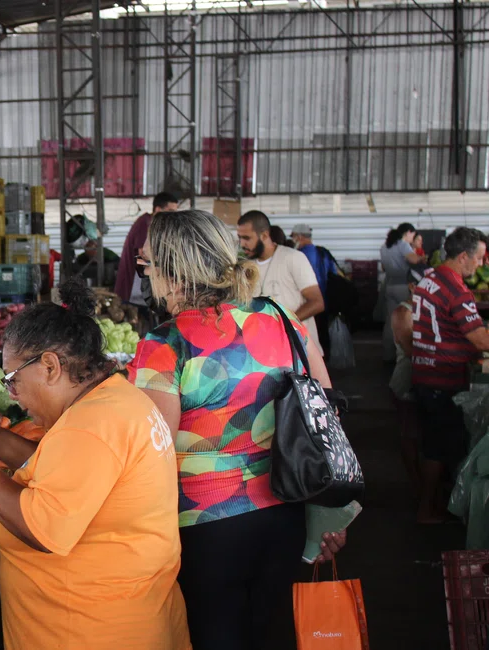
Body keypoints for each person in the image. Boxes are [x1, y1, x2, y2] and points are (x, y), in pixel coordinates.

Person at [0, 275, 190, 649]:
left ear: (50, 366)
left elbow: (43, 529)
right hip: (126, 615)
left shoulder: (90, 425)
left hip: (89, 629)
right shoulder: (115, 400)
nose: (13, 395)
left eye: (13, 380)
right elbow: (70, 473)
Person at [129, 209, 345, 649]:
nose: (144, 272)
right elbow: (327, 415)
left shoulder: (165, 344)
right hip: (286, 511)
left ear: (171, 271)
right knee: (273, 634)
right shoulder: (281, 317)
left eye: (147, 264)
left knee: (217, 635)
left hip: (205, 527)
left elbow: (153, 453)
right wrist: (331, 514)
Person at [410, 227, 489, 523]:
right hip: (441, 378)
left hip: (424, 373)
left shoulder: (430, 278)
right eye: (479, 259)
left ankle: (428, 501)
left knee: (433, 441)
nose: (480, 265)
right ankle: (427, 509)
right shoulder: (456, 289)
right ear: (464, 256)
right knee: (439, 447)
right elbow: (480, 339)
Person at [238, 210, 325, 348]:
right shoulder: (247, 266)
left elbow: (317, 302)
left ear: (265, 235)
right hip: (267, 352)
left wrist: (283, 325)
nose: (242, 243)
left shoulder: (293, 258)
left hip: (301, 351)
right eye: (240, 237)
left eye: (247, 238)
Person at [390, 269, 424, 496]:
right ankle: (417, 485)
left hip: (422, 381)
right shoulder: (404, 312)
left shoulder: (427, 311)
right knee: (410, 434)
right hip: (406, 382)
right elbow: (412, 351)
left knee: (419, 433)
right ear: (412, 286)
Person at [114, 192, 179, 303]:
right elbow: (143, 256)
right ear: (158, 209)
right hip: (134, 280)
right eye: (170, 211)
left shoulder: (152, 224)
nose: (173, 215)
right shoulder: (146, 224)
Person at [291, 224, 341, 354]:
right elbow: (334, 274)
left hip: (308, 304)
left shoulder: (298, 256)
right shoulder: (323, 252)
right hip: (326, 300)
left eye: (293, 237)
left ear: (299, 237)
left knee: (311, 338)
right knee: (323, 335)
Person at [381, 222, 424, 361]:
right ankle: (404, 355)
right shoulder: (403, 245)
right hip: (402, 287)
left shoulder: (385, 246)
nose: (413, 237)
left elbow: (383, 267)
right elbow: (414, 260)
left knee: (390, 321)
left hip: (389, 286)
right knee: (405, 320)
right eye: (413, 234)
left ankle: (388, 355)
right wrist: (423, 258)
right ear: (408, 232)